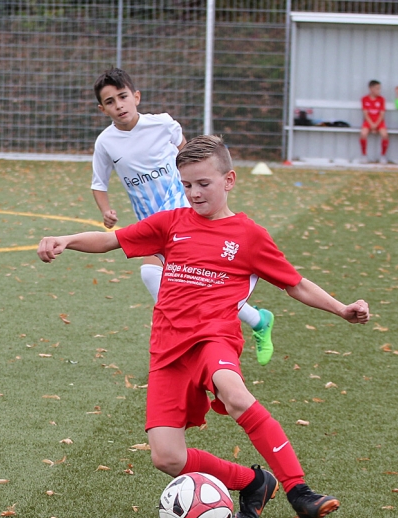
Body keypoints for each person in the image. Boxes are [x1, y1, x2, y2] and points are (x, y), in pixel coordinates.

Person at [39, 135, 370, 518]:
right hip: (167, 348)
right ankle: (253, 482)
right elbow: (111, 239)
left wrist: (341, 309)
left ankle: (299, 491)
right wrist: (67, 240)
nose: (194, 193)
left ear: (229, 180)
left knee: (235, 394)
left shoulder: (249, 235)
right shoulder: (171, 223)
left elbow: (294, 284)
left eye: (203, 183)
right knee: (167, 457)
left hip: (214, 337)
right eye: (187, 185)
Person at [91, 68, 276, 366]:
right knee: (197, 282)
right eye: (110, 102)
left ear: (136, 97)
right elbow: (98, 184)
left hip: (183, 210)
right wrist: (106, 211)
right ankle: (258, 320)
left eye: (123, 97)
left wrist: (200, 189)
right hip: (152, 222)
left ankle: (184, 340)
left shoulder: (163, 124)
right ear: (103, 109)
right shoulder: (105, 143)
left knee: (155, 274)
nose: (119, 105)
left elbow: (188, 155)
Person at [359, 80, 389, 164]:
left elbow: (382, 114)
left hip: (379, 122)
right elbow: (365, 113)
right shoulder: (364, 99)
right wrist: (371, 124)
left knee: (385, 135)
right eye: (377, 88)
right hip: (368, 121)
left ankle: (383, 156)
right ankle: (364, 155)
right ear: (371, 89)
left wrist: (376, 124)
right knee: (363, 134)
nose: (379, 90)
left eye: (379, 89)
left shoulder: (381, 99)